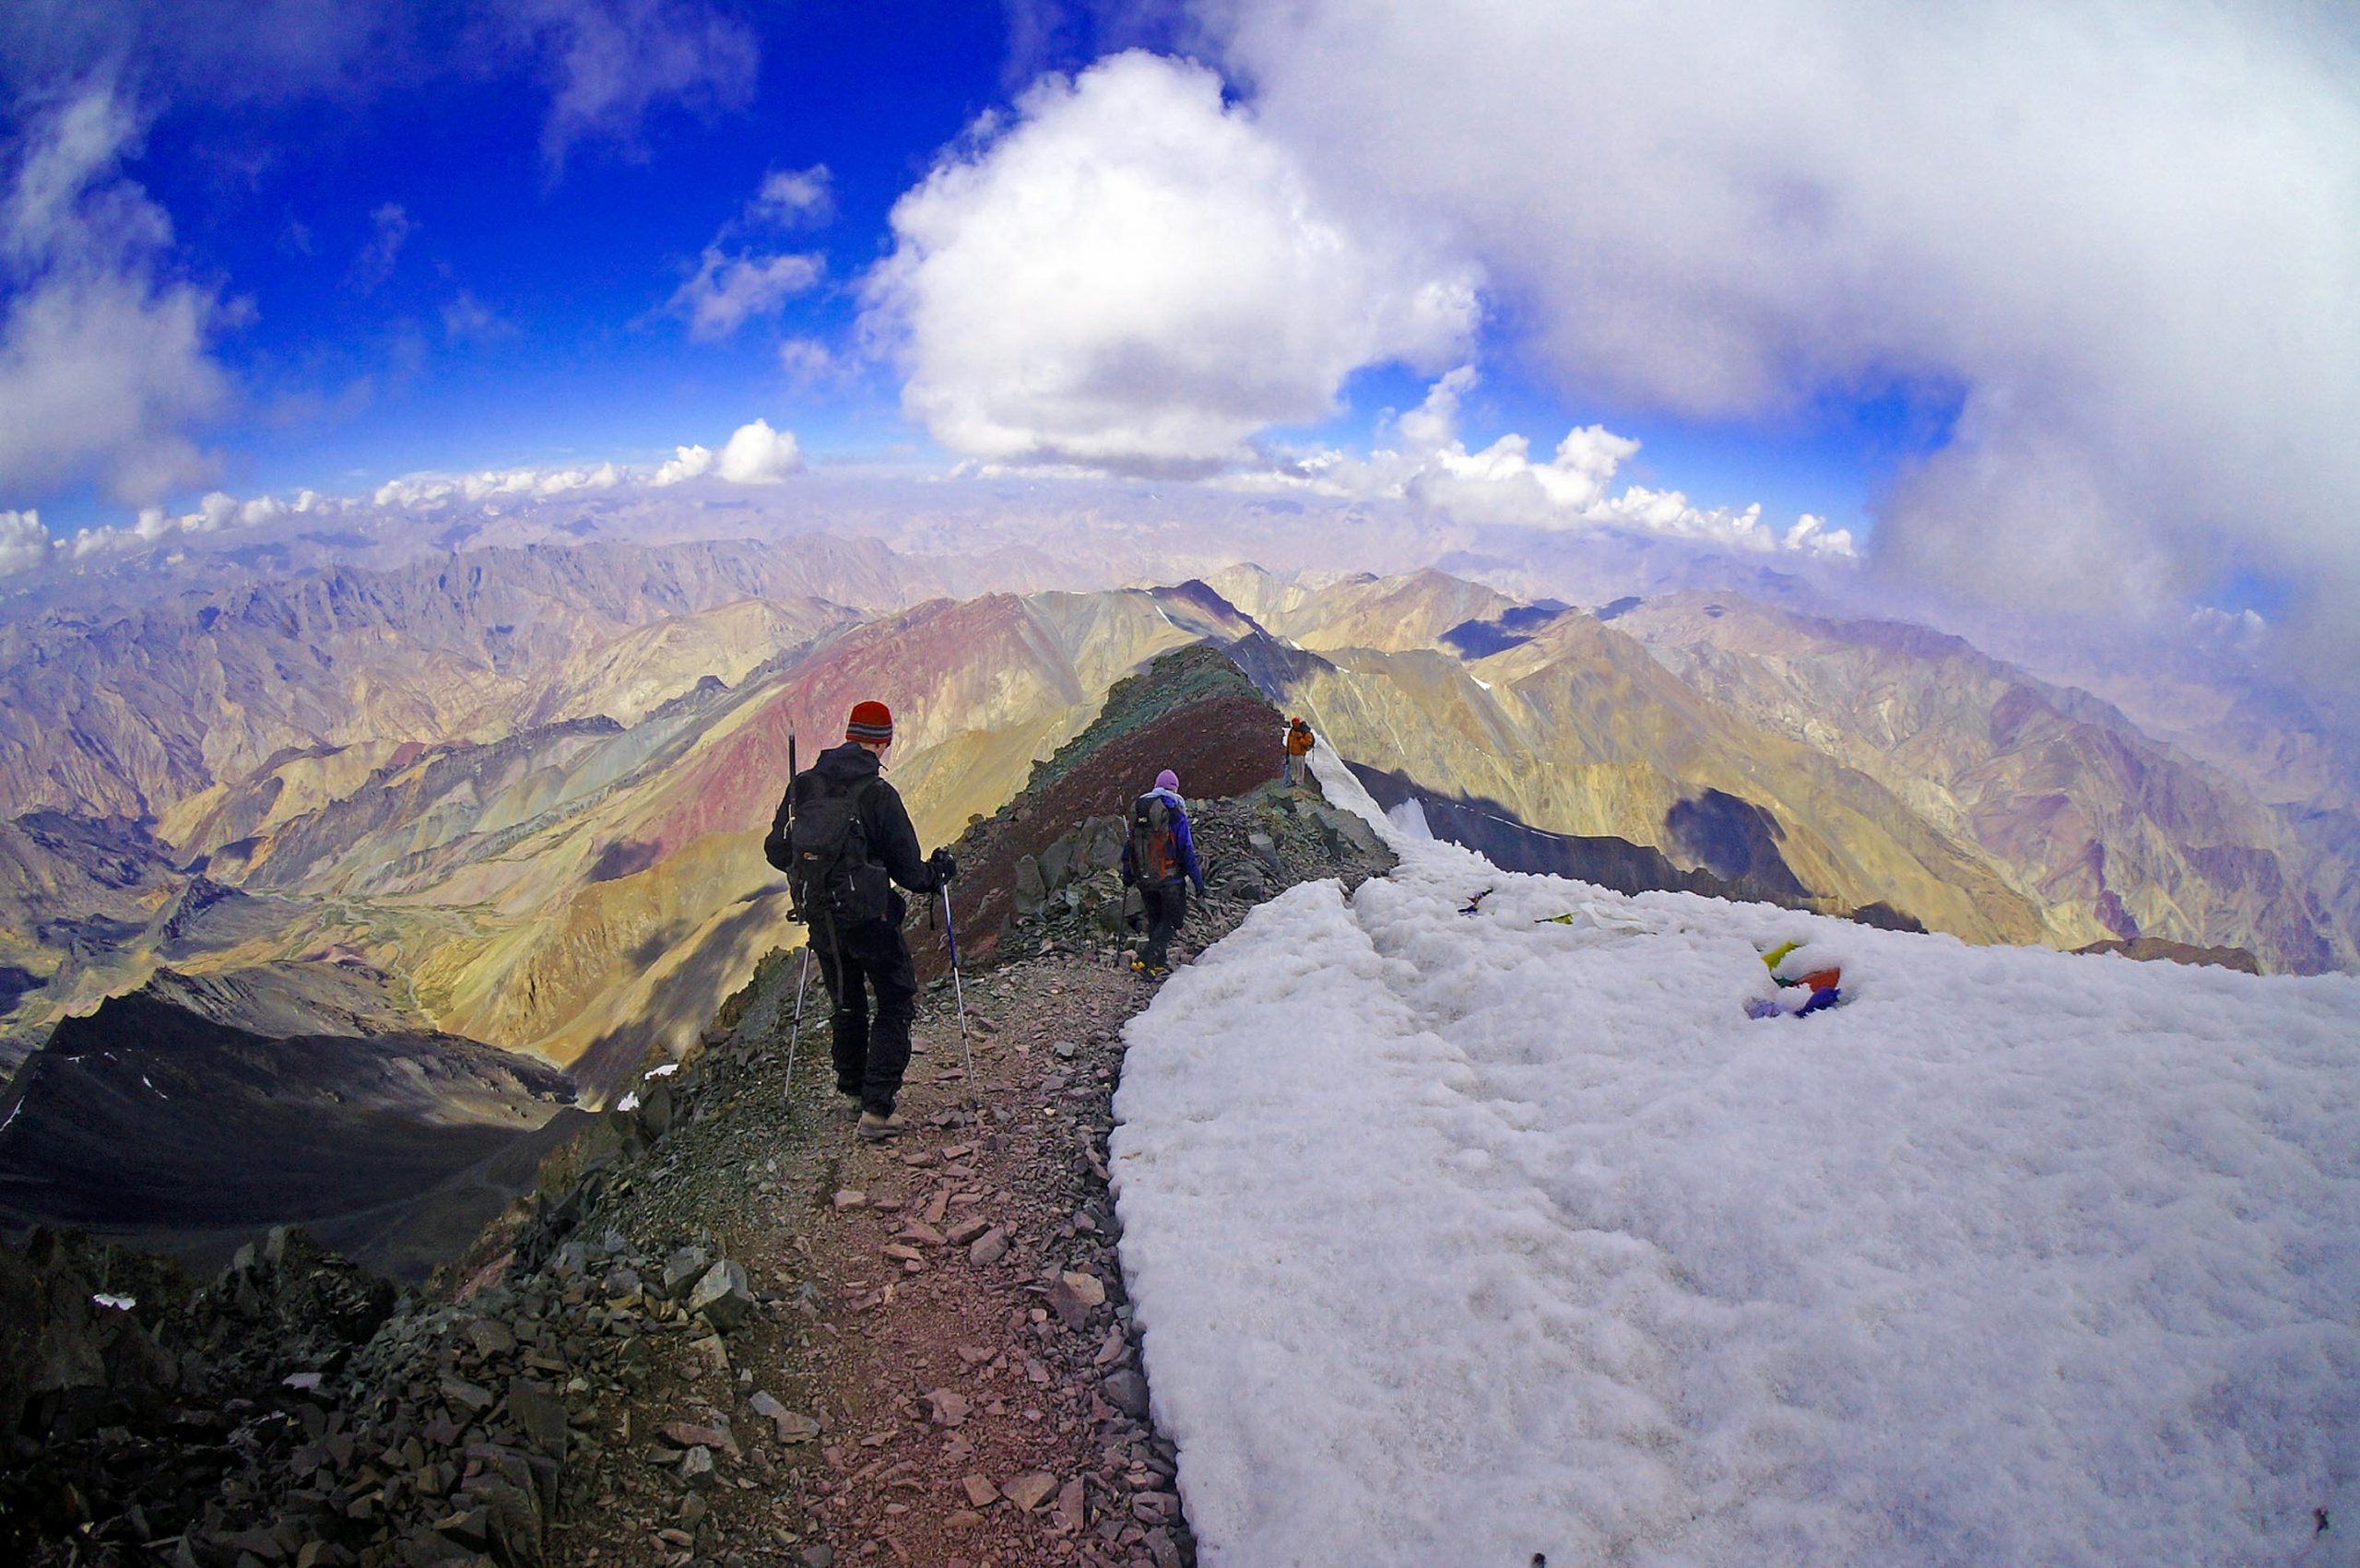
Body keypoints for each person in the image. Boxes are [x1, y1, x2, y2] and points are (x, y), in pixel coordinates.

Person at [783, 700, 954, 1141]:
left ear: (847, 734)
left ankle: (853, 1090)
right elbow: (908, 872)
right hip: (871, 920)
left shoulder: (804, 786)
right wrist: (939, 873)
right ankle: (878, 1109)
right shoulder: (878, 794)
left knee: (846, 1003)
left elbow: (775, 849)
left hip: (821, 917)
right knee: (894, 1001)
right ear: (885, 742)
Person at [1121, 768, 1205, 977]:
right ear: (1174, 789)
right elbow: (1186, 849)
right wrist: (1198, 882)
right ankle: (1145, 960)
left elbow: (1128, 847)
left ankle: (1156, 965)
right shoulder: (1175, 812)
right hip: (1170, 879)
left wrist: (1128, 875)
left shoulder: (1141, 812)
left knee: (1156, 919)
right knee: (1172, 920)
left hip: (1144, 878)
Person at [1283, 715, 1316, 788]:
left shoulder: (1304, 732)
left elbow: (1308, 743)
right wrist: (1288, 751)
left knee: (1300, 769)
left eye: (1296, 724)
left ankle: (1299, 782)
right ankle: (1293, 780)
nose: (1295, 725)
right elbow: (1289, 741)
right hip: (1292, 753)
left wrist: (1300, 739)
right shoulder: (1292, 731)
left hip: (1300, 754)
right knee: (1293, 767)